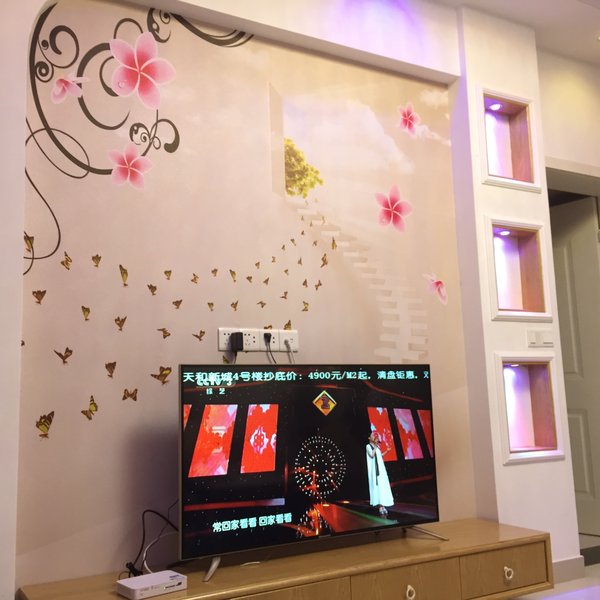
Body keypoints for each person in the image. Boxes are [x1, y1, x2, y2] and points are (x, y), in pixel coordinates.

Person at [366, 431, 394, 516]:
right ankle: (381, 507)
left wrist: (387, 451)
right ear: (369, 438)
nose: (375, 437)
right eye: (373, 436)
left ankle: (383, 505)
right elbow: (372, 455)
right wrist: (375, 445)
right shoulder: (368, 446)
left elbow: (379, 456)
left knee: (382, 486)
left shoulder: (377, 446)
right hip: (375, 471)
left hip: (381, 469)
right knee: (378, 487)